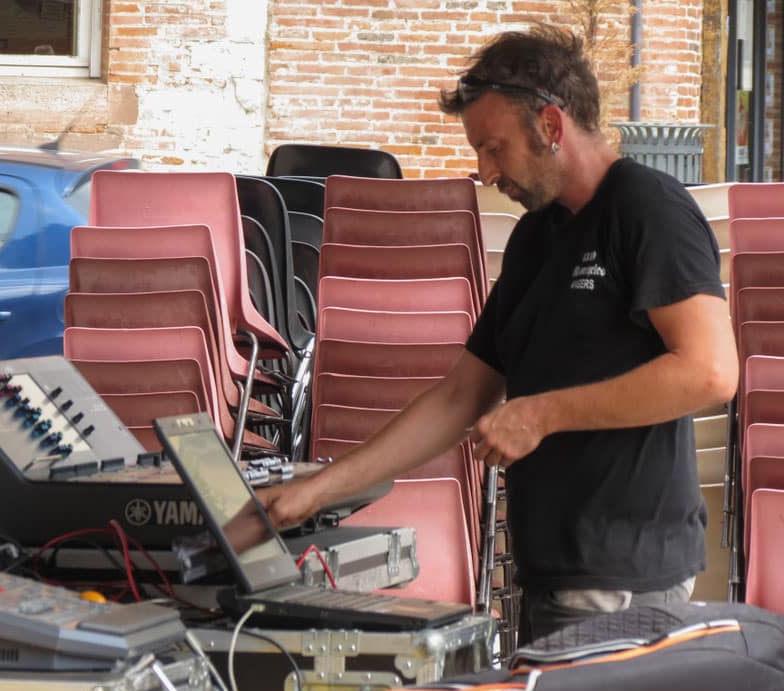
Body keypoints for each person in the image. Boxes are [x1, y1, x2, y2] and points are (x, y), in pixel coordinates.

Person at [262, 24, 738, 644]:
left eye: (494, 148)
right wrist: (316, 490)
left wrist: (540, 415)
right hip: (550, 569)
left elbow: (709, 372)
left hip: (619, 576)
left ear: (550, 126)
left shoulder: (647, 209)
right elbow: (461, 396)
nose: (484, 172)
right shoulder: (536, 237)